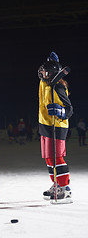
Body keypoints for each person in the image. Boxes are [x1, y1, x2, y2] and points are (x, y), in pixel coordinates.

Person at [38, 51, 73, 201]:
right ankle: (56, 184)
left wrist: (60, 111)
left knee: (57, 158)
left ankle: (65, 189)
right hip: (45, 125)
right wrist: (52, 62)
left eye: (45, 72)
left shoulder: (58, 87)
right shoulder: (45, 84)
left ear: (52, 74)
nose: (42, 74)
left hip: (57, 127)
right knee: (48, 159)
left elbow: (69, 109)